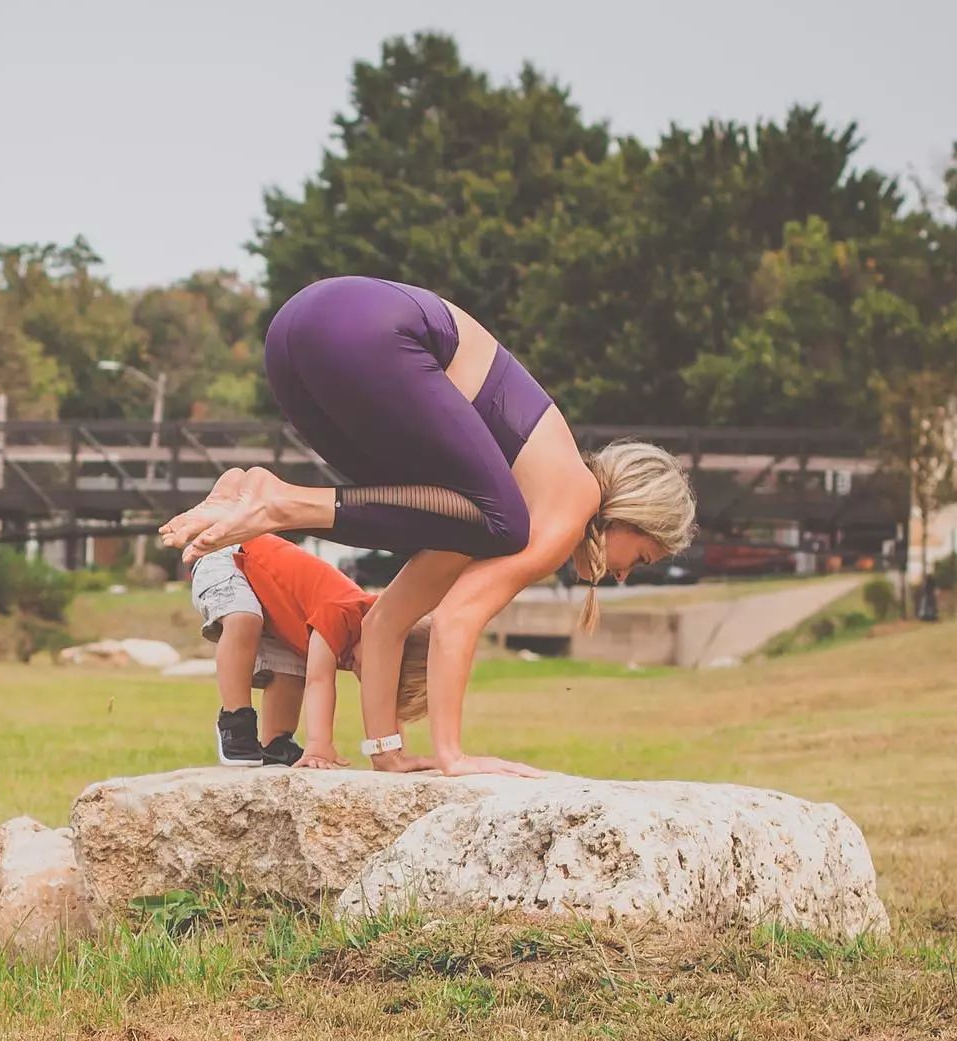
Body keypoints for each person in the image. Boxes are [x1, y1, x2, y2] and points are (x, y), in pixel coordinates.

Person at [162, 276, 696, 778]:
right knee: (502, 525)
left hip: (297, 333)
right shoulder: (570, 500)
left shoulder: (477, 510)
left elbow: (384, 624)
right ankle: (280, 502)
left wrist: (386, 750)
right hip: (365, 330)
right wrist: (452, 755)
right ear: (630, 516)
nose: (624, 575)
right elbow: (456, 620)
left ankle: (262, 491)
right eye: (642, 558)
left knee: (456, 520)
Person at [191, 534, 430, 769]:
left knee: (296, 661)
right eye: (372, 673)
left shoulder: (365, 641)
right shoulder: (343, 612)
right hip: (232, 559)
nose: (366, 679)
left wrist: (394, 754)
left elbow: (384, 705)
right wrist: (318, 744)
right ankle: (236, 721)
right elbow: (320, 681)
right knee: (244, 619)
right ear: (388, 644)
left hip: (277, 603)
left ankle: (277, 742)